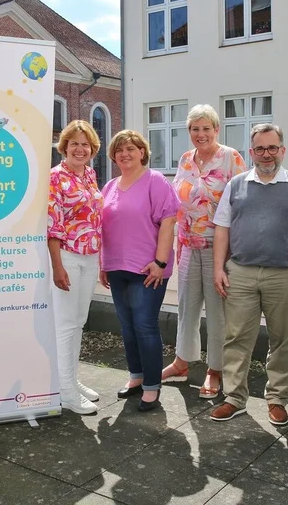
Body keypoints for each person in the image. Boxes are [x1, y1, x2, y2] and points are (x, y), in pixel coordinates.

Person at [210, 124, 288, 425]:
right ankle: (234, 398)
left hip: (285, 275)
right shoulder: (236, 185)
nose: (267, 154)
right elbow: (222, 228)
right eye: (260, 149)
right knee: (236, 338)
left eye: (273, 148)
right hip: (241, 273)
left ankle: (277, 399)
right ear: (251, 152)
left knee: (283, 339)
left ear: (282, 150)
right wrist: (218, 268)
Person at [161, 104, 247, 398]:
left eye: (205, 128)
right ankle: (182, 361)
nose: (200, 134)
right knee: (186, 307)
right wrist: (175, 244)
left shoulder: (231, 158)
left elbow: (243, 205)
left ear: (216, 129)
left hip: (218, 248)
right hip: (187, 245)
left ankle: (215, 370)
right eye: (194, 129)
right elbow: (178, 205)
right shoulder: (186, 159)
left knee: (218, 311)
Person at [100, 129, 180, 412]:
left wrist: (159, 263)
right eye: (120, 150)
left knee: (145, 326)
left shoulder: (155, 181)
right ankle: (136, 377)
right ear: (113, 155)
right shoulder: (109, 187)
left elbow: (169, 223)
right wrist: (103, 263)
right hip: (116, 266)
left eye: (131, 149)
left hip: (148, 268)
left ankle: (151, 386)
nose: (125, 154)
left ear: (142, 152)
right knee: (127, 327)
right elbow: (105, 228)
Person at [47, 120, 105, 415]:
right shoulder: (56, 177)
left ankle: (70, 378)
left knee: (79, 321)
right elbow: (53, 225)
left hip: (90, 257)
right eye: (74, 144)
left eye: (85, 144)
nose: (80, 149)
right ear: (65, 147)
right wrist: (57, 266)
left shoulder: (90, 175)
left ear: (92, 148)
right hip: (68, 257)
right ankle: (65, 392)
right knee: (66, 325)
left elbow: (95, 219)